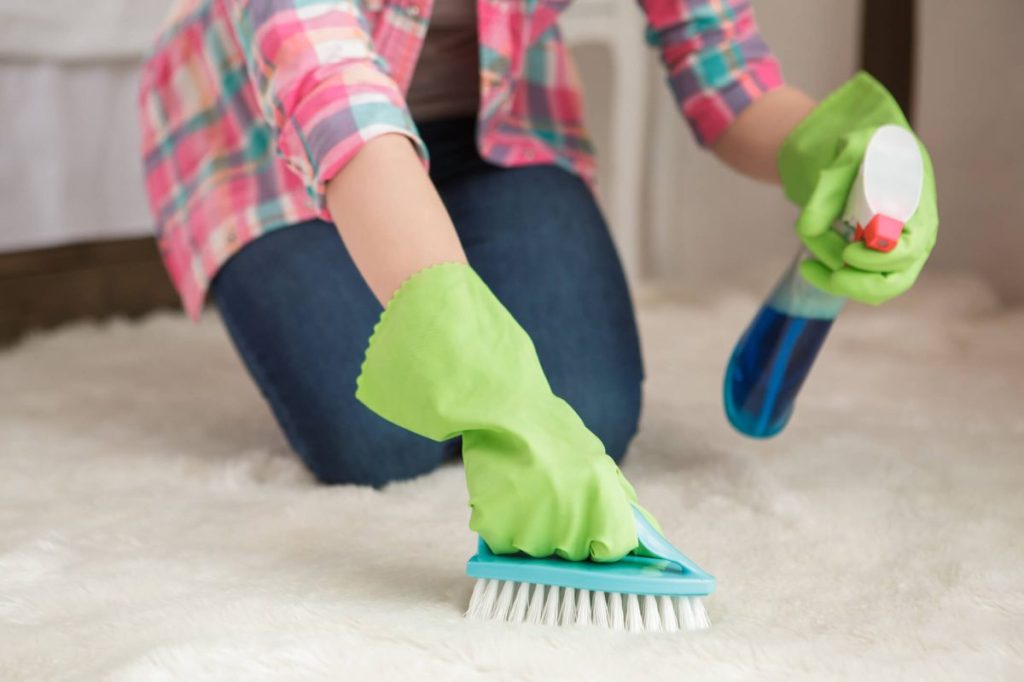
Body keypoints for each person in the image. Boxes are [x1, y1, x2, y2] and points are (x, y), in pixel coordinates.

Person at [139, 0, 938, 562]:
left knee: (586, 411)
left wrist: (834, 149)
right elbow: (331, 92)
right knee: (378, 439)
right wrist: (465, 345)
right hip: (272, 138)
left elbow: (720, 64)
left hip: (496, 120)